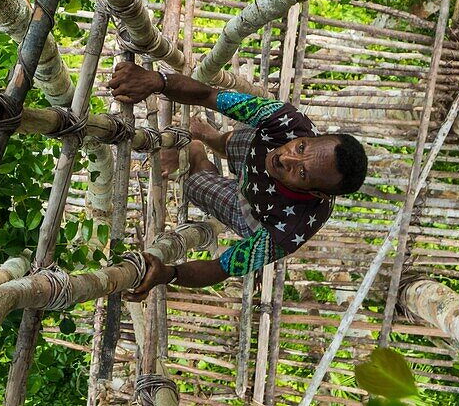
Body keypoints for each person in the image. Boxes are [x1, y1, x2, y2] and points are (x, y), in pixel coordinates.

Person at [107, 61, 367, 299]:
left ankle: (198, 156)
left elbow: (221, 267)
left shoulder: (290, 229)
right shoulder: (286, 121)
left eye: (302, 173)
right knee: (240, 140)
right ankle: (215, 140)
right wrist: (156, 80)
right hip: (255, 150)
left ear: (317, 193)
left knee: (193, 185)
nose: (286, 159)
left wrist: (168, 274)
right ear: (308, 137)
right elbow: (208, 95)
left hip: (252, 210)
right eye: (300, 148)